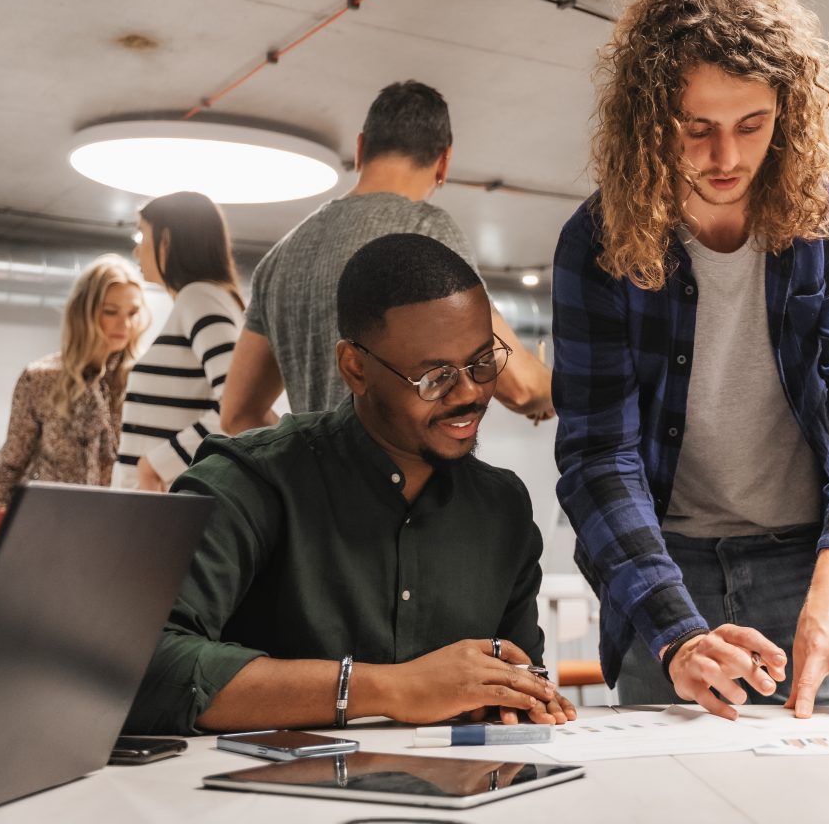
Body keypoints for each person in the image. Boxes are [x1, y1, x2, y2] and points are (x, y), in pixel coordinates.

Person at [551, 0, 829, 722]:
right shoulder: (595, 243)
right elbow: (597, 456)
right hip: (666, 568)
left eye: (752, 124)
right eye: (696, 128)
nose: (727, 157)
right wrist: (676, 633)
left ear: (786, 107)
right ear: (649, 121)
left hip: (814, 555)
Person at [125, 233, 574, 734]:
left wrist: (518, 698)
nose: (469, 393)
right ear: (355, 368)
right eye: (435, 377)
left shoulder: (502, 510)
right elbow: (141, 666)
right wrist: (392, 688)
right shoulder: (250, 483)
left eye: (483, 362)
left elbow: (518, 686)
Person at [221, 80, 552, 432]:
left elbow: (238, 415)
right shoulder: (427, 232)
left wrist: (306, 459)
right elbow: (521, 388)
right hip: (403, 485)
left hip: (314, 485)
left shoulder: (279, 257)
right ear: (444, 162)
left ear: (361, 148)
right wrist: (552, 391)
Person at [0, 254, 147, 541]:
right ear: (85, 312)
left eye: (132, 313)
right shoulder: (41, 378)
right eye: (111, 311)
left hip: (117, 532)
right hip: (49, 529)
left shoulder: (142, 378)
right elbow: (12, 462)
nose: (124, 324)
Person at [119, 191, 244, 491]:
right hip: (163, 504)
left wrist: (156, 464)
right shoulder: (211, 298)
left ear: (168, 241)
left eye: (142, 237)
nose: (137, 252)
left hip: (163, 507)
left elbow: (236, 409)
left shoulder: (198, 297)